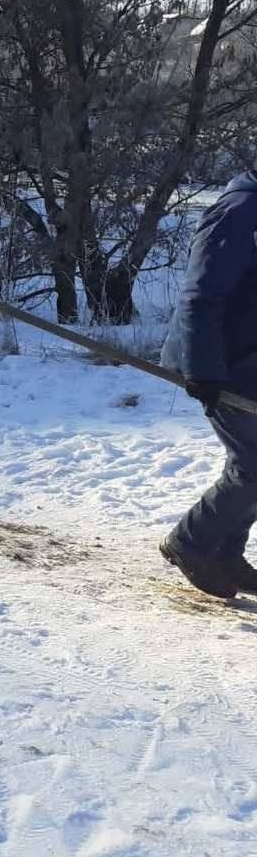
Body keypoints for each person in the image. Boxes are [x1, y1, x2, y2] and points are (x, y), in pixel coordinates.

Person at [160, 168, 257, 599]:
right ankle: (191, 541)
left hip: (250, 359)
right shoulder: (238, 212)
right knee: (254, 466)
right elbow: (201, 293)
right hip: (222, 362)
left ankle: (224, 552)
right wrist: (203, 370)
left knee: (251, 463)